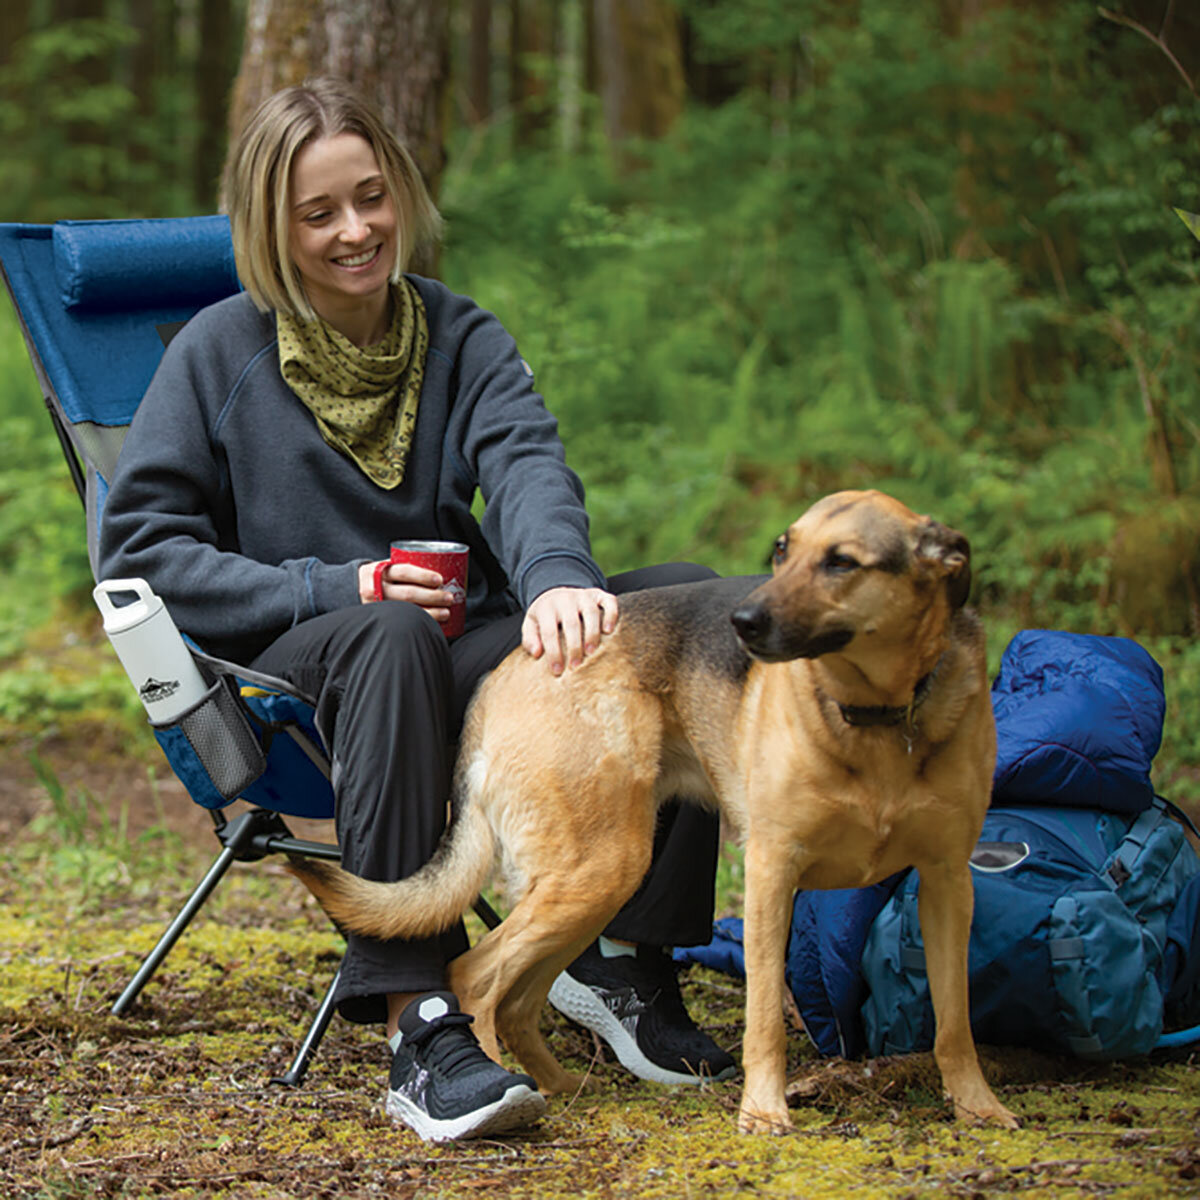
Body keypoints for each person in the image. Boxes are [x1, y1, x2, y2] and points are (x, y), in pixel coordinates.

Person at [97, 77, 733, 1143]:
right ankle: (419, 1025)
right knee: (389, 629)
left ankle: (625, 960)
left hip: (466, 643)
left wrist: (558, 580)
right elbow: (143, 552)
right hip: (301, 661)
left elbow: (526, 461)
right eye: (320, 213)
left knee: (681, 606)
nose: (357, 231)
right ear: (273, 227)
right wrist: (335, 584)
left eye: (372, 197)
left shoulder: (458, 333)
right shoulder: (213, 353)